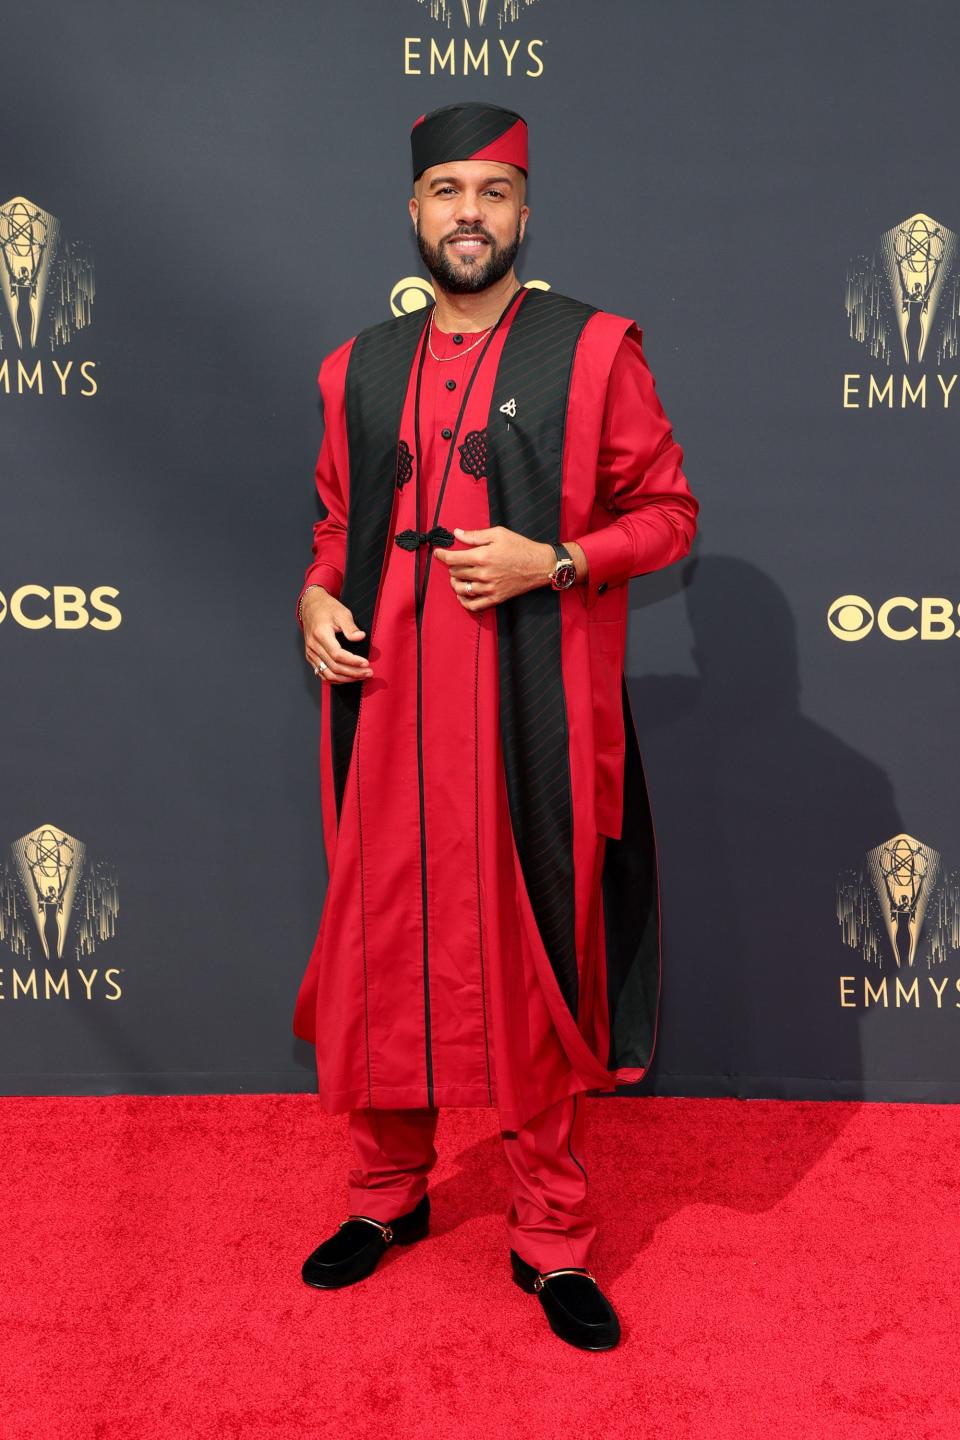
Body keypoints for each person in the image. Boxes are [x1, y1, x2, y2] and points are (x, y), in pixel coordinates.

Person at [293, 100, 698, 1351]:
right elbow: (334, 523)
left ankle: (551, 1237)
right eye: (447, 192)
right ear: (413, 212)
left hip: (526, 709)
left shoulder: (592, 349)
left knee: (529, 959)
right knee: (380, 950)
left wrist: (559, 558)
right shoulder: (354, 366)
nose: (469, 213)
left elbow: (668, 514)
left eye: (494, 193)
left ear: (526, 213)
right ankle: (386, 1199)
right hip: (388, 709)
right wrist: (315, 593)